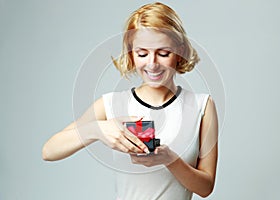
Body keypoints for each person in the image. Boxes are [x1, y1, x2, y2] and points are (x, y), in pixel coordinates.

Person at [42, 2, 218, 199]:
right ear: (131, 54)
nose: (152, 63)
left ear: (180, 51)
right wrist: (97, 129)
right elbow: (49, 151)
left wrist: (169, 159)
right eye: (142, 53)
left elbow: (205, 187)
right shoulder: (111, 104)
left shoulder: (202, 106)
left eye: (163, 53)